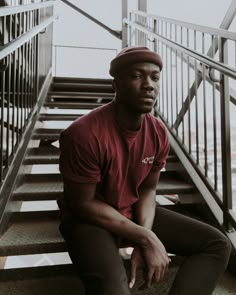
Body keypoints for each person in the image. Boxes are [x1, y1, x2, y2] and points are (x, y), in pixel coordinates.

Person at [58, 46, 231, 295]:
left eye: (155, 77)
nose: (149, 85)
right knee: (114, 289)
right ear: (115, 85)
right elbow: (83, 204)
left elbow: (148, 190)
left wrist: (144, 234)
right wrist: (145, 237)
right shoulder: (83, 134)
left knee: (217, 244)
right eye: (137, 76)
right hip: (89, 219)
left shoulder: (159, 132)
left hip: (132, 209)